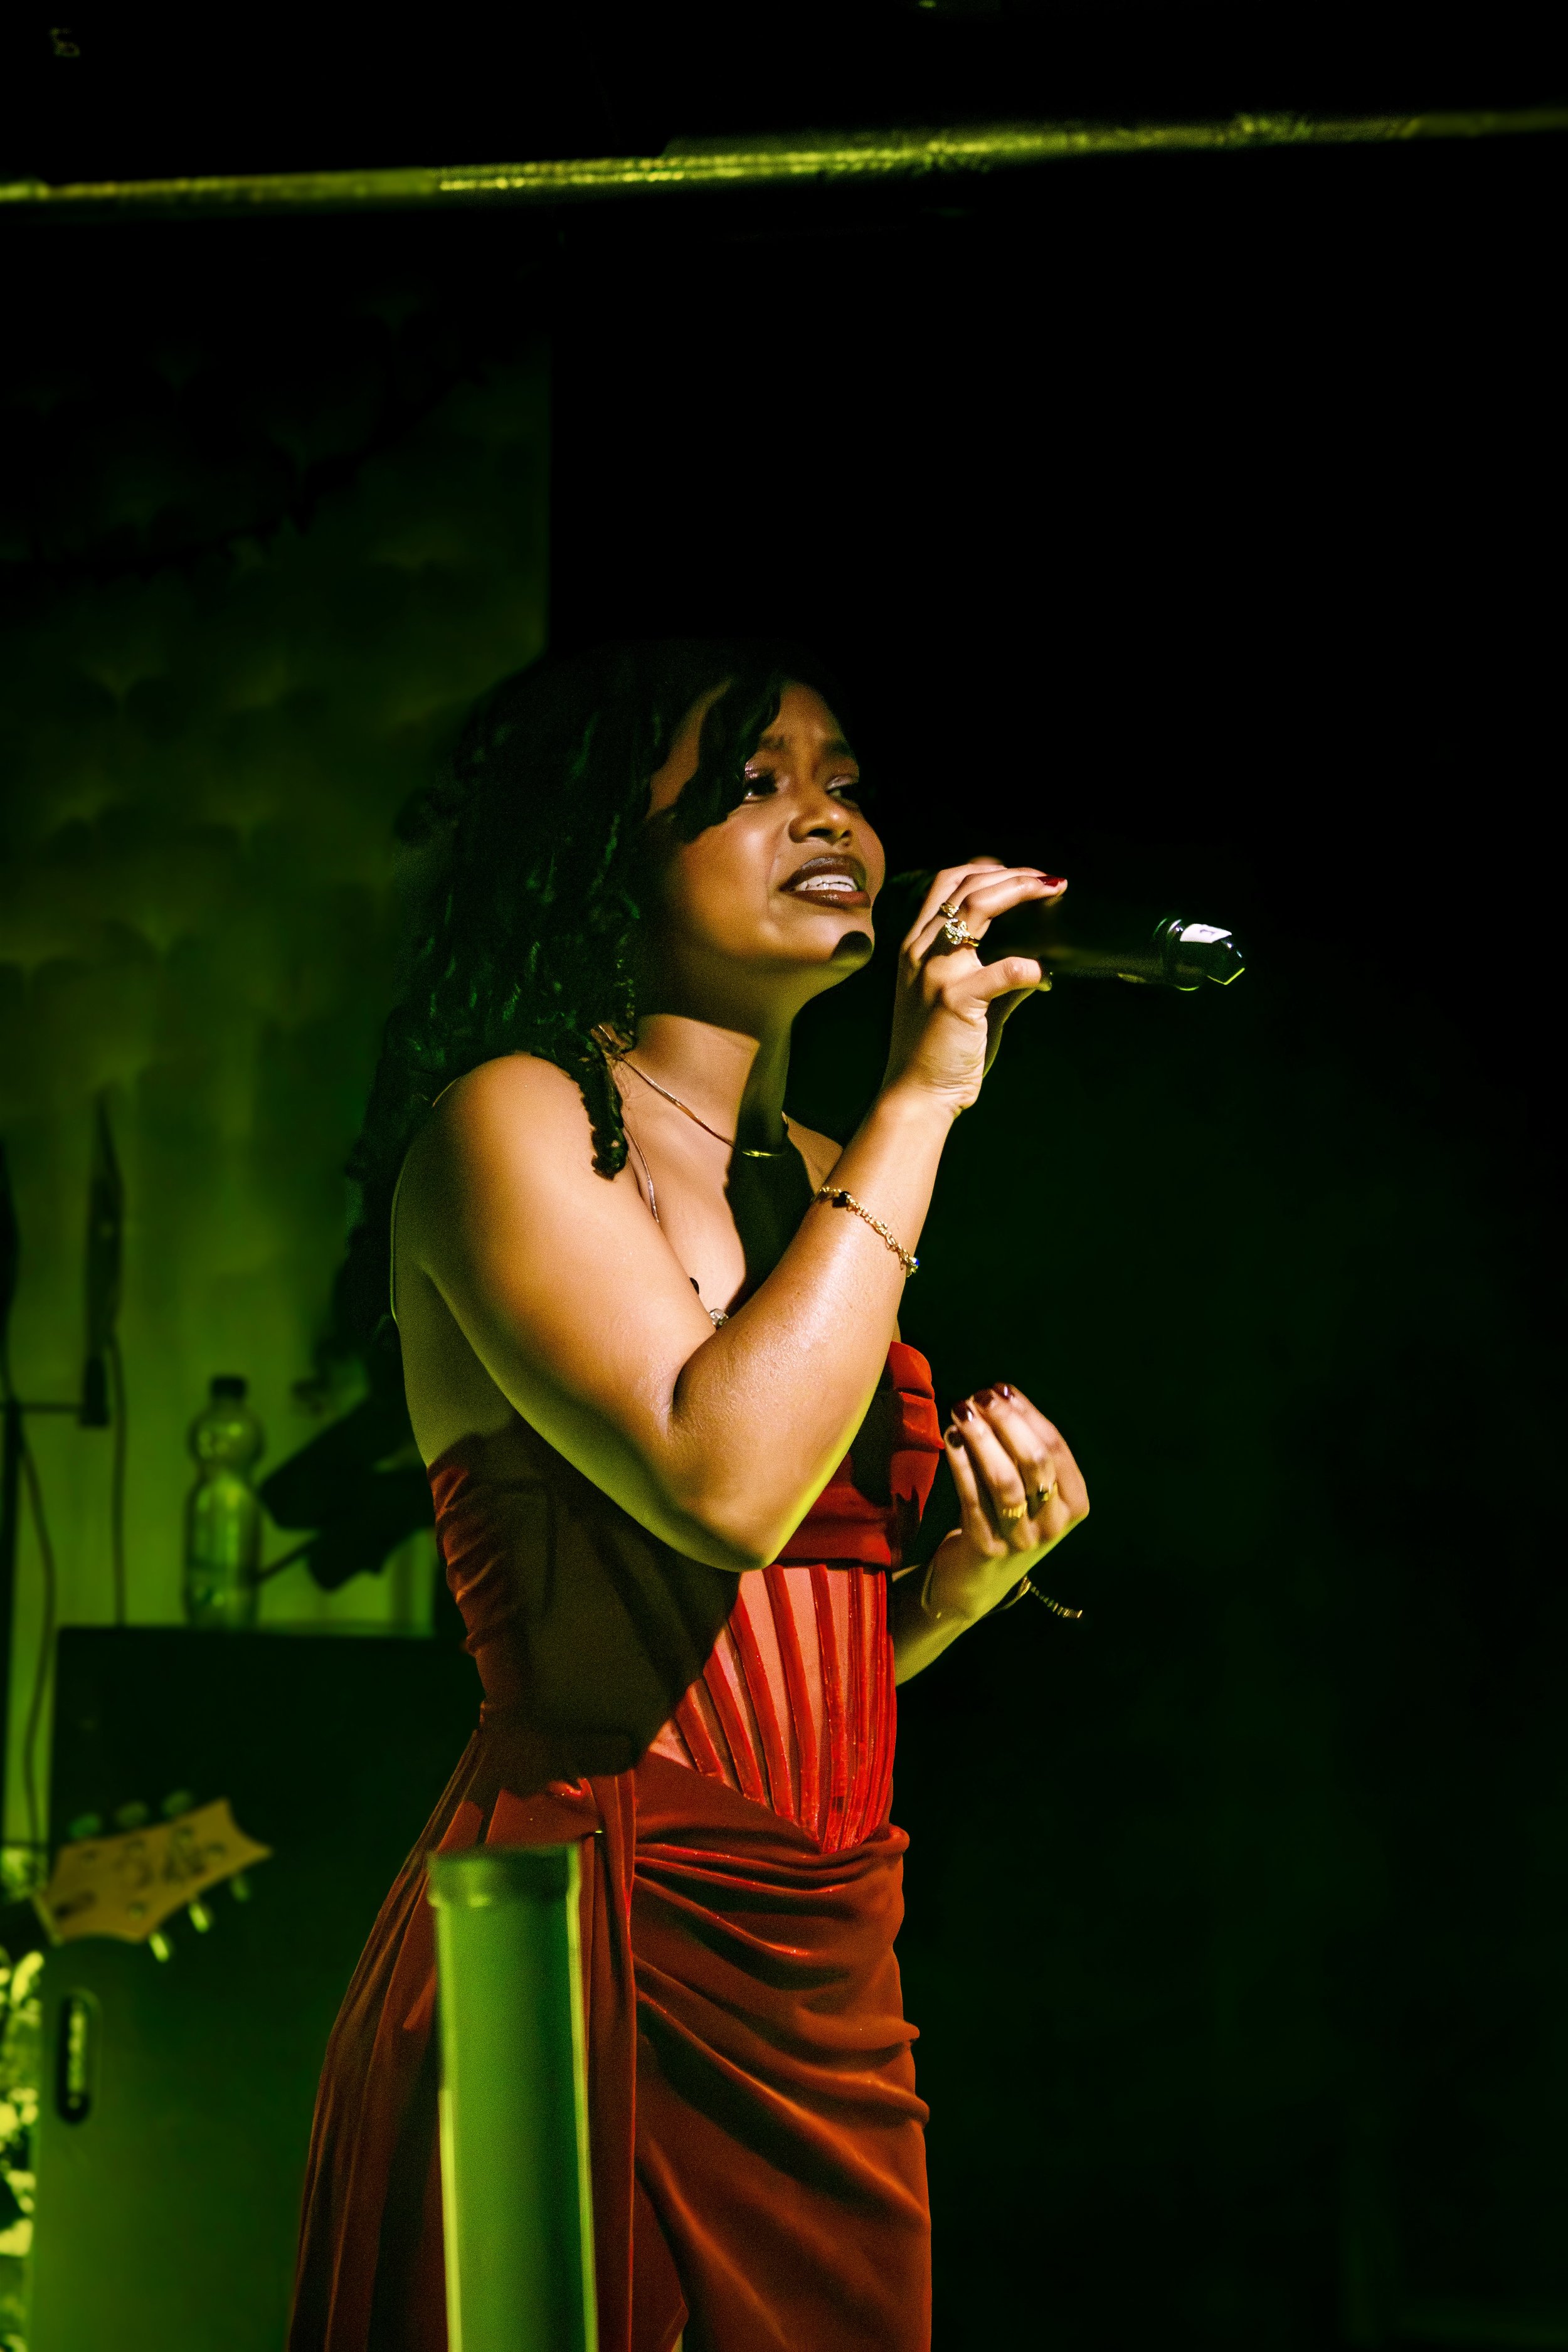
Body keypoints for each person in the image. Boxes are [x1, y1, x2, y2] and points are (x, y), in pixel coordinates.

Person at [288, 639, 1089, 2352]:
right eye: (749, 782)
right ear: (601, 847)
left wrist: (938, 1600)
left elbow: (753, 1662)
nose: (829, 816)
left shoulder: (813, 1180)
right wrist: (924, 1095)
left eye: (845, 779)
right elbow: (720, 1481)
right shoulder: (512, 1123)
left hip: (818, 1970)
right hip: (586, 1939)